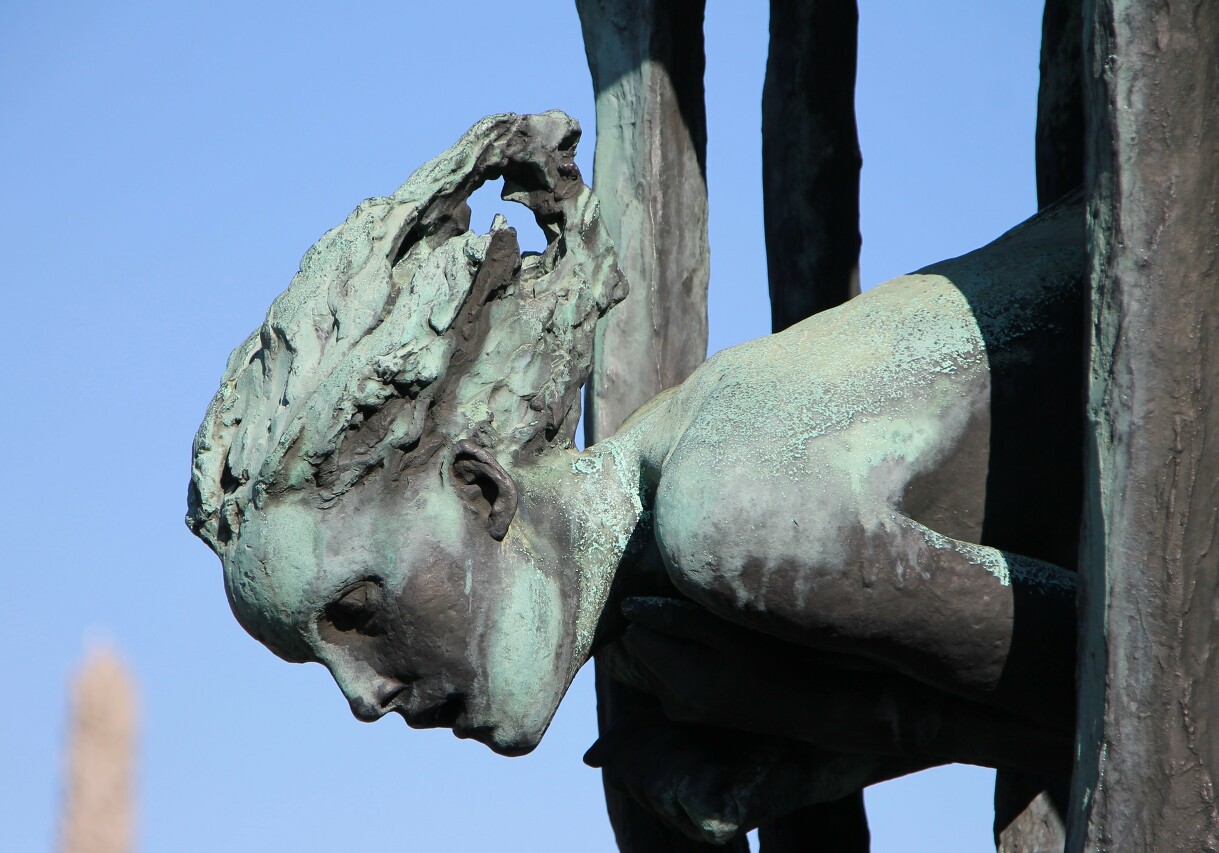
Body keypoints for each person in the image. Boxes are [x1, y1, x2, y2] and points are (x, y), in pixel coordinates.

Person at [188, 112, 1079, 843]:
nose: (363, 697)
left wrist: (820, 745)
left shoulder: (721, 517)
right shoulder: (668, 618)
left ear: (479, 490)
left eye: (357, 613)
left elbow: (1128, 658)